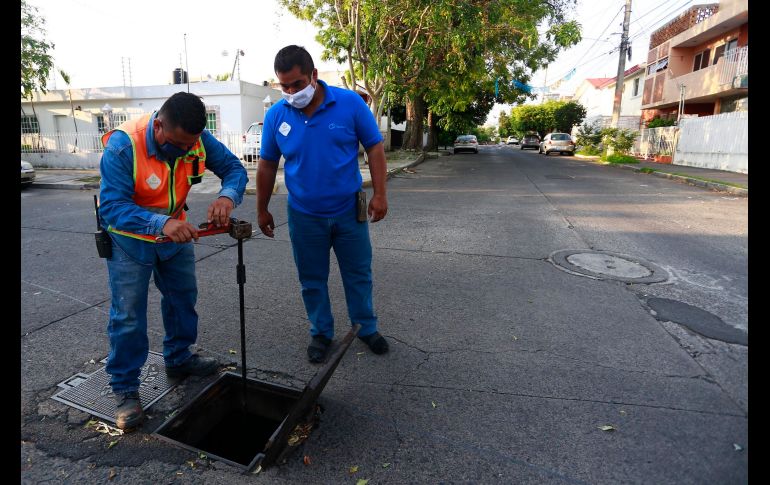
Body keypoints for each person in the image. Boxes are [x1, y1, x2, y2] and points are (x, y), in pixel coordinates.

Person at [98, 92, 248, 430]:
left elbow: (235, 170)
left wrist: (227, 196)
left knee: (183, 299)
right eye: (179, 144)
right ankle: (125, 389)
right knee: (128, 314)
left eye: (191, 144)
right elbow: (112, 208)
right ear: (160, 124)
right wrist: (160, 223)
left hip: (175, 233)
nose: (186, 151)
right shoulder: (123, 147)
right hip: (131, 240)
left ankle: (179, 358)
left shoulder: (197, 139)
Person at [257, 45, 390, 363]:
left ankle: (365, 327)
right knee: (311, 278)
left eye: (297, 84)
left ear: (313, 75)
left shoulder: (349, 104)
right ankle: (321, 332)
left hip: (348, 210)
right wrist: (261, 209)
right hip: (304, 215)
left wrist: (381, 194)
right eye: (284, 86)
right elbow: (265, 165)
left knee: (358, 273)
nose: (291, 92)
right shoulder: (277, 115)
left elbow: (374, 148)